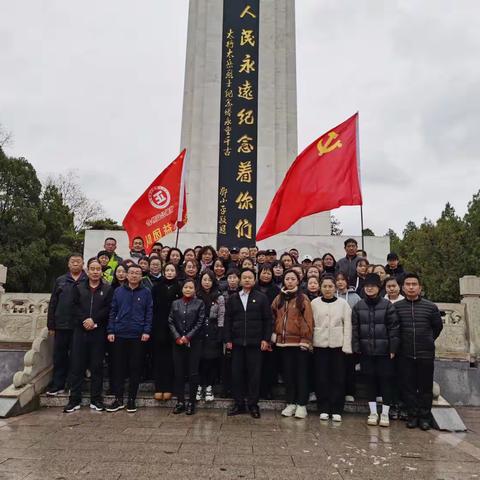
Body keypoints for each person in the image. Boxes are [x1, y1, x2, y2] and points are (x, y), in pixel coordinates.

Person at [394, 273, 443, 430]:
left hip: (425, 354)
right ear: (403, 288)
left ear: (420, 287)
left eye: (414, 284)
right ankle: (412, 415)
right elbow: (395, 329)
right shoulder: (397, 307)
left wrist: (427, 340)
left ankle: (425, 417)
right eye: (408, 284)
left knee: (425, 387)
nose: (411, 287)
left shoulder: (430, 307)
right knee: (407, 387)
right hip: (405, 354)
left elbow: (437, 328)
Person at [64, 258, 113, 413]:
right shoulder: (78, 287)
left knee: (97, 367)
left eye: (98, 269)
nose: (95, 272)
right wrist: (85, 319)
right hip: (80, 331)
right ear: (87, 270)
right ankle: (74, 400)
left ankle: (96, 400)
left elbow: (108, 308)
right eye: (92, 268)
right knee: (77, 366)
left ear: (101, 271)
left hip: (98, 332)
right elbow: (73, 306)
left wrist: (94, 320)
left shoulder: (107, 289)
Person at [352, 273, 400, 427]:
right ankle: (373, 412)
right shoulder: (359, 306)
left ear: (378, 288)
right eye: (367, 286)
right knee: (370, 381)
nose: (370, 288)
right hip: (366, 352)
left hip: (384, 352)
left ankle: (385, 413)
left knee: (386, 381)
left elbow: (394, 329)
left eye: (372, 286)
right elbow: (355, 329)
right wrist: (356, 348)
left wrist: (393, 348)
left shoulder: (387, 305)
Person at [224, 268, 273, 418]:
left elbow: (267, 320)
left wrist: (266, 339)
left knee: (254, 375)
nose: (246, 280)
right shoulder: (233, 298)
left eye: (250, 277)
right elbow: (227, 320)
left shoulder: (261, 297)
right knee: (236, 374)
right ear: (239, 279)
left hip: (255, 343)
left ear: (254, 279)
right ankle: (239, 404)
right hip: (237, 343)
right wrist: (228, 339)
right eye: (244, 277)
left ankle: (253, 404)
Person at [106, 264, 152, 413]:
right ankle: (118, 398)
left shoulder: (146, 292)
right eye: (131, 273)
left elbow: (149, 313)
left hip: (138, 335)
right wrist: (111, 330)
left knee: (135, 367)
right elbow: (112, 311)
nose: (134, 275)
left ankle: (132, 399)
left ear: (141, 276)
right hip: (119, 334)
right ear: (126, 275)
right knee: (118, 367)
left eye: (137, 273)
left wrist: (146, 330)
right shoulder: (118, 291)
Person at [272, 269, 313, 419]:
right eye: (287, 279)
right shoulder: (279, 298)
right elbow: (273, 315)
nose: (289, 281)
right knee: (288, 375)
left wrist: (306, 340)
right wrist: (274, 334)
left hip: (299, 343)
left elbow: (308, 321)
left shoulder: (303, 299)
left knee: (301, 375)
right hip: (283, 343)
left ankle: (302, 404)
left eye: (292, 279)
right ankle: (290, 403)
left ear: (298, 281)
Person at [311, 275, 352, 421]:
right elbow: (310, 324)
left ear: (335, 288)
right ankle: (323, 407)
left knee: (338, 378)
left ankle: (336, 409)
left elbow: (348, 325)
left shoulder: (343, 304)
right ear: (320, 288)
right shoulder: (314, 303)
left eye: (330, 286)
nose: (327, 289)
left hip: (338, 346)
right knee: (321, 377)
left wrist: (347, 346)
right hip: (319, 345)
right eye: (325, 286)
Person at [46, 253, 87, 396]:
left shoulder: (87, 280)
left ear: (83, 264)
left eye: (78, 261)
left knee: (77, 356)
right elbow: (53, 303)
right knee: (59, 355)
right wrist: (51, 325)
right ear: (68, 264)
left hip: (79, 326)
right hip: (61, 324)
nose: (75, 264)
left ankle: (73, 384)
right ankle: (58, 384)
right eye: (72, 261)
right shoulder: (61, 280)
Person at [169, 279, 205, 415]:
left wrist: (188, 337)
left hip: (194, 342)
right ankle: (180, 401)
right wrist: (177, 337)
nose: (188, 289)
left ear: (195, 289)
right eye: (186, 287)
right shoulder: (175, 303)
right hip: (177, 342)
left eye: (191, 287)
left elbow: (200, 321)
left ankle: (191, 402)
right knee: (179, 372)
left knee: (193, 373)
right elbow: (171, 320)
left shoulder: (199, 303)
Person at [151, 263, 182, 401]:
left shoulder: (180, 287)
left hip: (175, 328)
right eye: (167, 270)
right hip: (158, 327)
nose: (169, 273)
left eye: (172, 270)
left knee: (172, 360)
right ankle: (159, 387)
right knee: (158, 359)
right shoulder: (156, 287)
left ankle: (169, 387)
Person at [196, 270, 225, 402]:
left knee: (211, 360)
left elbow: (221, 316)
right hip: (198, 330)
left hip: (213, 330)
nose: (206, 283)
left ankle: (209, 387)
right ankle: (199, 386)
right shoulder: (196, 295)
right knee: (199, 360)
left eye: (209, 280)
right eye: (204, 280)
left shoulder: (219, 296)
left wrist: (220, 332)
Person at [335, 272, 361, 403]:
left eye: (342, 280)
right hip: (335, 336)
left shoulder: (355, 297)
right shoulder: (332, 295)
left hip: (350, 335)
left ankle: (349, 392)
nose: (340, 282)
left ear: (347, 281)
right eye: (337, 280)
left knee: (349, 366)